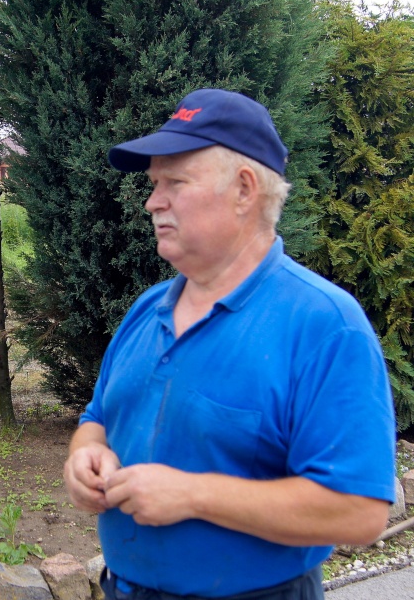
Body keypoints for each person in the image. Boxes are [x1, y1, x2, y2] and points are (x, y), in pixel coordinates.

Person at [63, 88, 396, 599]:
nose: (153, 201)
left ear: (244, 189)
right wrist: (85, 457)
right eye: (154, 184)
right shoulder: (145, 310)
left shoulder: (325, 326)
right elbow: (97, 420)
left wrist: (194, 495)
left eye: (174, 181)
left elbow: (359, 510)